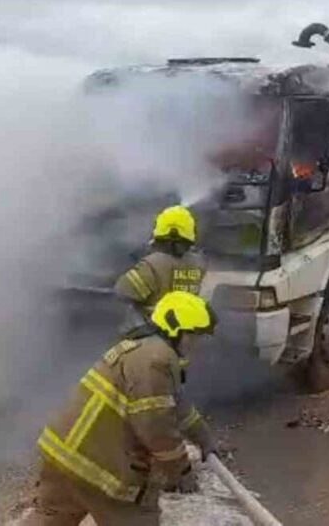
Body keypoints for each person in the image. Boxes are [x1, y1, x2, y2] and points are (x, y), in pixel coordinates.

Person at [21, 292, 221, 526]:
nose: (197, 345)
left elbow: (177, 406)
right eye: (195, 336)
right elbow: (155, 424)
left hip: (63, 454)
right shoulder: (157, 359)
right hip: (100, 469)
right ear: (176, 330)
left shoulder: (142, 350)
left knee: (50, 517)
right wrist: (180, 470)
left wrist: (204, 438)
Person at [115, 205, 207, 337]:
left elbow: (122, 291)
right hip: (184, 334)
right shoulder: (199, 263)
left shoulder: (152, 265)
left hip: (151, 334)